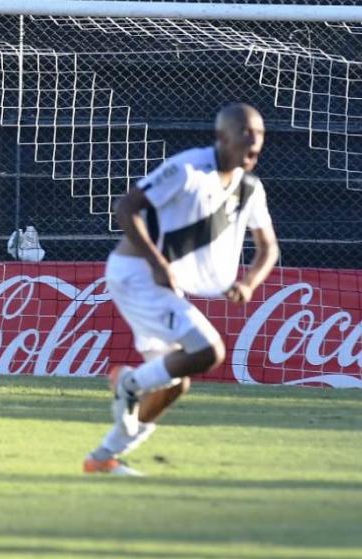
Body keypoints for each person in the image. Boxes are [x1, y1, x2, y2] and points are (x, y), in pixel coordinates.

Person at [84, 103, 279, 476]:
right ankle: (128, 383)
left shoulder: (251, 188)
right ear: (222, 137)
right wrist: (158, 263)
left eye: (261, 135)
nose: (255, 141)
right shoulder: (188, 168)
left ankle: (103, 458)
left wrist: (249, 281)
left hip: (162, 284)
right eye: (246, 133)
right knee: (209, 350)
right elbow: (126, 208)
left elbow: (269, 247)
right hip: (136, 273)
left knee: (174, 384)